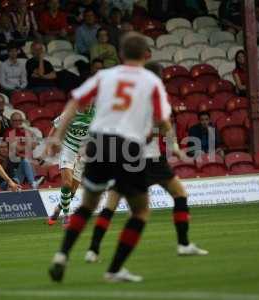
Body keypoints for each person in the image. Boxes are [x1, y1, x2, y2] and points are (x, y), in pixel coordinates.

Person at [46, 32, 172, 282]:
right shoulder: (150, 81)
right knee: (140, 211)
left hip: (99, 147)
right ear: (146, 55)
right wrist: (171, 141)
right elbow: (161, 120)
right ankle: (114, 269)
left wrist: (55, 137)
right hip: (128, 148)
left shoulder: (104, 76)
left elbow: (73, 103)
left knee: (88, 203)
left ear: (121, 55)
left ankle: (62, 255)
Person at [84, 61, 208, 263]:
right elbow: (161, 126)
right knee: (180, 194)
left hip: (126, 159)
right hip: (151, 160)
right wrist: (174, 146)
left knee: (111, 205)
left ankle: (93, 250)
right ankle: (184, 244)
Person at [47, 105, 95, 226]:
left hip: (83, 154)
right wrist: (49, 145)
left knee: (72, 190)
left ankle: (58, 209)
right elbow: (55, 127)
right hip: (68, 149)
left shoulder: (96, 113)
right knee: (67, 183)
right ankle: (66, 216)